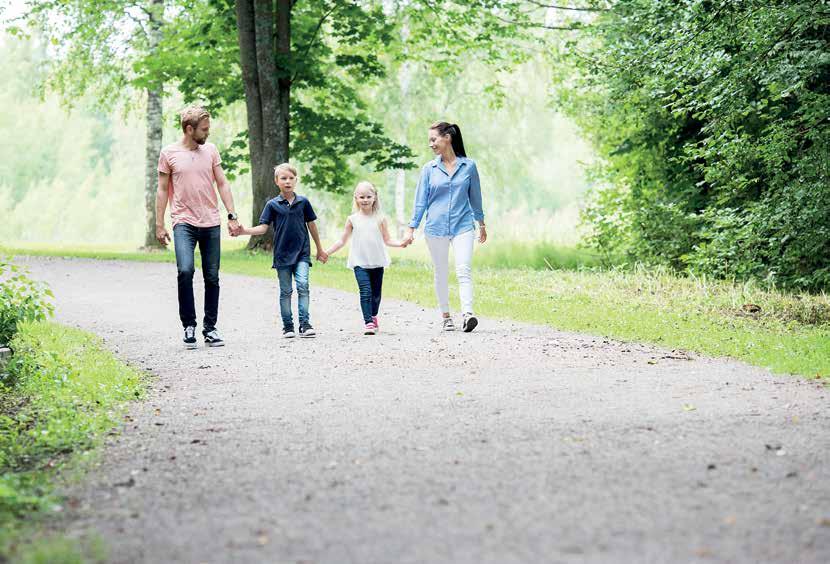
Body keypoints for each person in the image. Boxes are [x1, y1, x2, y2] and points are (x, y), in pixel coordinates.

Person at [156, 105, 241, 349]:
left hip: (211, 221)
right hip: (183, 221)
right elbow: (162, 190)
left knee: (212, 276)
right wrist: (159, 224)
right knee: (185, 270)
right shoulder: (169, 153)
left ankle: (210, 328)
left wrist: (232, 215)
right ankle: (189, 325)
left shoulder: (211, 151)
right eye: (204, 129)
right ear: (189, 129)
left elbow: (223, 184)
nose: (208, 133)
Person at [402, 121, 486, 333]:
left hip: (463, 225)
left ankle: (468, 314)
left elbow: (475, 196)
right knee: (441, 272)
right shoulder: (429, 169)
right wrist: (411, 228)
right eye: (429, 140)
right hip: (436, 227)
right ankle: (446, 316)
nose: (431, 144)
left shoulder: (469, 166)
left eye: (433, 139)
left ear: (447, 137)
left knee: (463, 269)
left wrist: (481, 223)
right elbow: (421, 201)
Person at [234, 163, 327, 338]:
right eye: (283, 178)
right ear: (277, 181)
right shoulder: (272, 205)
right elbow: (263, 228)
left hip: (302, 253)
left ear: (296, 180)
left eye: (291, 178)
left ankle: (305, 324)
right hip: (283, 255)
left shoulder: (303, 203)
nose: (288, 181)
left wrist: (320, 249)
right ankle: (288, 326)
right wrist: (244, 231)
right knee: (286, 291)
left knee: (303, 286)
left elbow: (312, 226)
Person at [324, 181, 409, 335]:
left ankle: (374, 315)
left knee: (376, 294)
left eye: (368, 196)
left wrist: (401, 243)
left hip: (377, 261)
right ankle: (368, 323)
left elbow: (387, 240)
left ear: (374, 197)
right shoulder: (352, 219)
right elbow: (342, 241)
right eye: (361, 197)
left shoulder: (381, 219)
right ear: (356, 198)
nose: (365, 200)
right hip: (359, 262)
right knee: (365, 291)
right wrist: (326, 252)